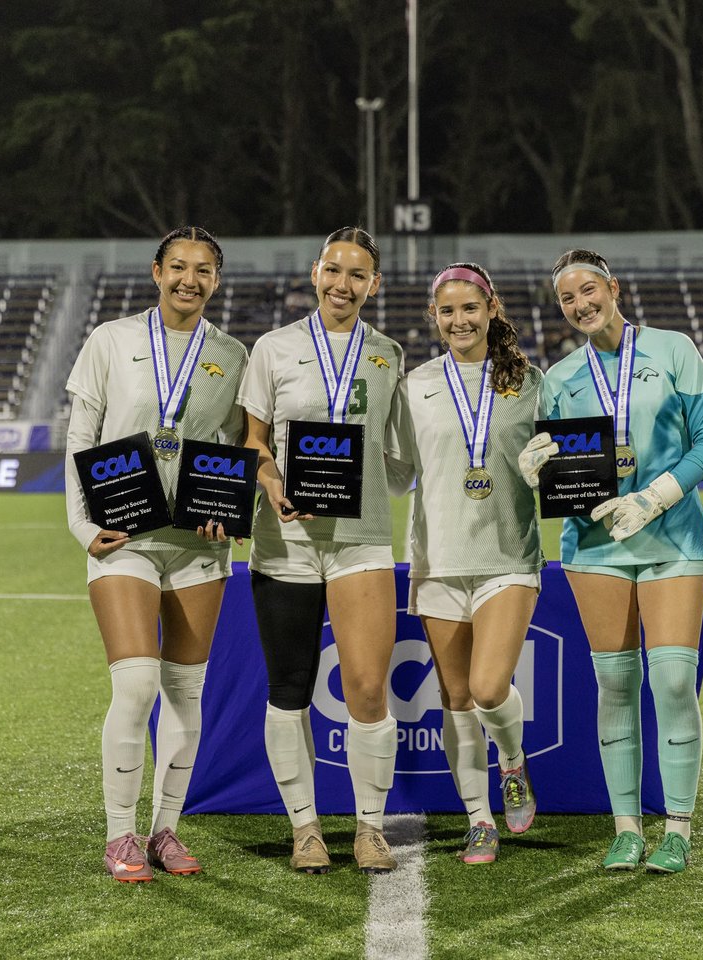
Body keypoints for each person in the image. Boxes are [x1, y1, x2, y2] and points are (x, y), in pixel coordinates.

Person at [519, 248, 703, 875]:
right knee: (614, 683)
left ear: (613, 288)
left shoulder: (673, 349)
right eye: (567, 299)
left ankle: (679, 827)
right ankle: (627, 827)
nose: (581, 305)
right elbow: (564, 473)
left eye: (589, 290)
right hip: (594, 546)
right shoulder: (559, 378)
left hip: (673, 537)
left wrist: (654, 496)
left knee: (670, 680)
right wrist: (539, 467)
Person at [64, 226, 249, 883]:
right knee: (137, 681)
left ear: (215, 281)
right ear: (156, 271)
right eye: (178, 267)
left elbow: (237, 448)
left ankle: (166, 831)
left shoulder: (230, 354)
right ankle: (121, 835)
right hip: (125, 537)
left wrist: (229, 510)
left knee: (183, 691)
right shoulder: (111, 340)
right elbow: (82, 432)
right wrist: (81, 524)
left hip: (196, 548)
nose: (189, 280)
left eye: (202, 270)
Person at [239, 226, 405, 875]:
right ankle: (305, 829)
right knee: (290, 689)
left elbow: (399, 459)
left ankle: (369, 828)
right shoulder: (273, 348)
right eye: (333, 270)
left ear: (374, 284)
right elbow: (253, 440)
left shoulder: (388, 354)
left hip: (360, 537)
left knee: (366, 688)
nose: (343, 284)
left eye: (357, 274)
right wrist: (275, 483)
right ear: (315, 273)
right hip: (286, 539)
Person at [393, 262, 543, 865]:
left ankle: (511, 763)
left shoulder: (531, 383)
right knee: (455, 698)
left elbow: (563, 454)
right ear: (435, 317)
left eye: (469, 308)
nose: (459, 320)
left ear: (491, 309)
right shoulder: (414, 386)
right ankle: (479, 819)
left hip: (508, 555)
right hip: (438, 561)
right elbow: (397, 472)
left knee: (486, 688)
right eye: (447, 311)